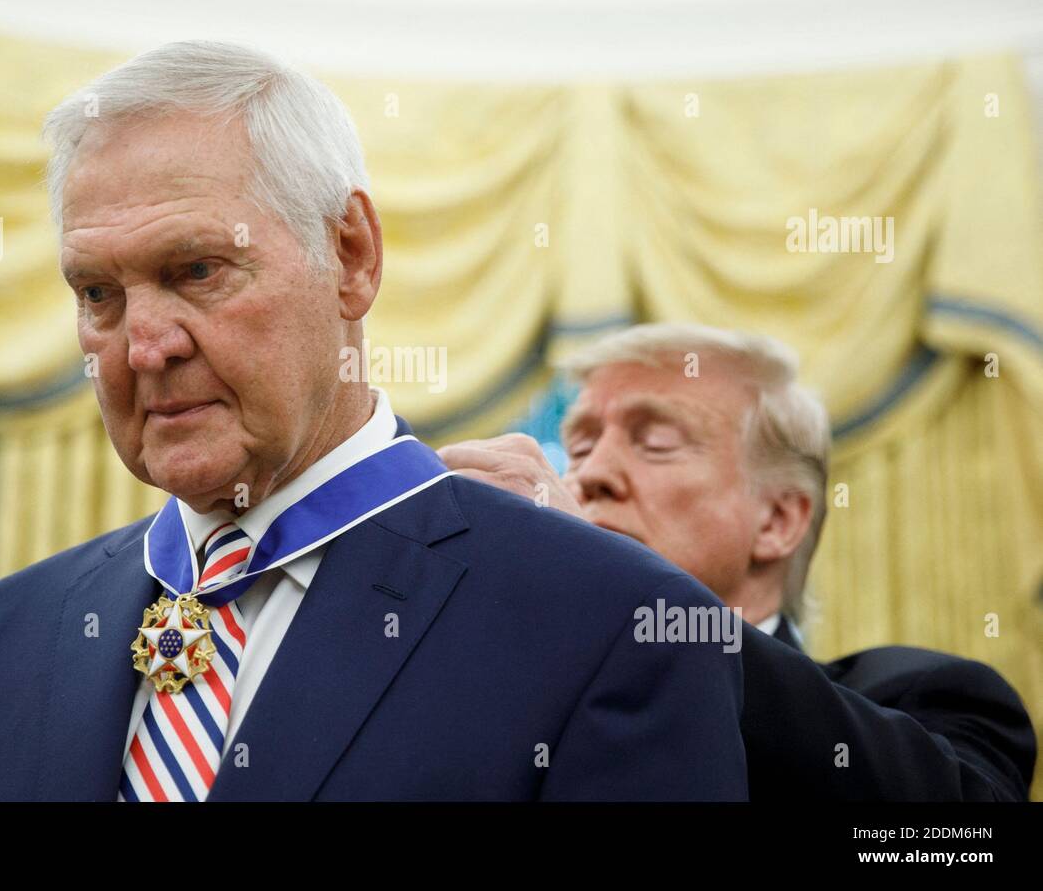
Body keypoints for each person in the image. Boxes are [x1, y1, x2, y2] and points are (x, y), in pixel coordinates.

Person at [0, 43, 748, 802]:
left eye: (196, 269)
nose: (142, 347)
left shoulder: (608, 626)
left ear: (351, 256)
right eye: (98, 294)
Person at [440, 322, 1035, 800]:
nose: (589, 474)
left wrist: (621, 595)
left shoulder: (927, 699)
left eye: (656, 443)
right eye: (581, 446)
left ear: (778, 522)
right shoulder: (503, 720)